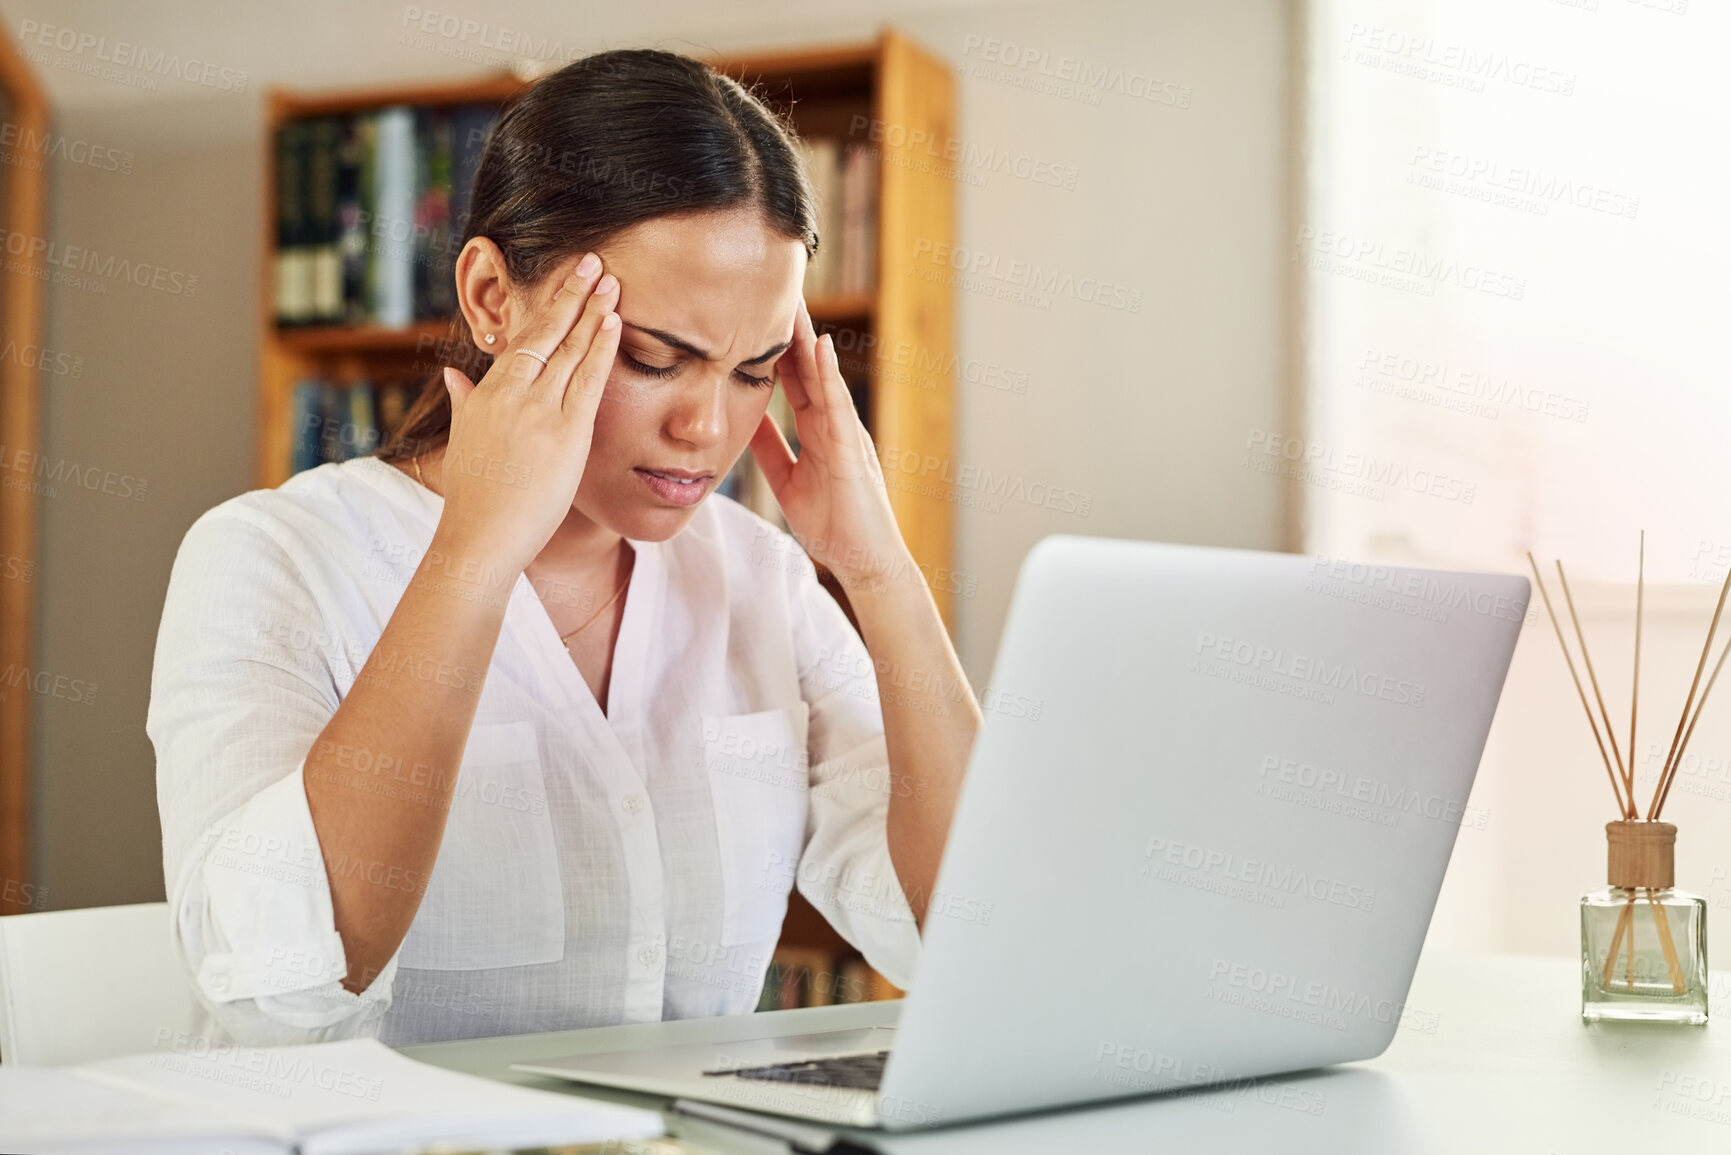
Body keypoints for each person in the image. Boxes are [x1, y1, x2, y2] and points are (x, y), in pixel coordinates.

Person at [147, 47, 979, 1048]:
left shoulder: (756, 576)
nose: (707, 430)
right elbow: (284, 978)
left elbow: (973, 928)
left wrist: (879, 571)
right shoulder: (272, 559)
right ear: (494, 297)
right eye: (654, 358)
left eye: (755, 371)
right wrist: (475, 557)